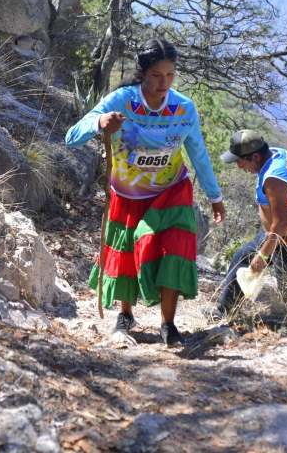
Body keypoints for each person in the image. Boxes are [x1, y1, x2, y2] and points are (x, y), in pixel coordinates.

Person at [65, 38, 226, 346]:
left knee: (175, 247)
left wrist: (215, 196)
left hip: (172, 190)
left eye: (170, 75)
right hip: (129, 193)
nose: (163, 83)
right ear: (142, 73)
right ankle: (125, 314)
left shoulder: (183, 108)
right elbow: (72, 135)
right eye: (156, 75)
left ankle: (168, 324)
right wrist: (99, 122)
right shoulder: (123, 100)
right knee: (127, 253)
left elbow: (198, 154)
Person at [216, 130, 287, 314]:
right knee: (241, 259)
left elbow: (280, 223)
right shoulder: (276, 153)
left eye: (240, 161)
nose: (239, 166)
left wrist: (263, 256)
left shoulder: (273, 179)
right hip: (275, 236)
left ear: (255, 156)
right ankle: (223, 312)